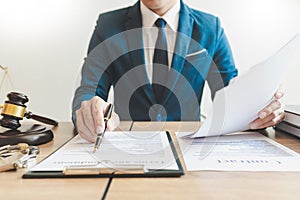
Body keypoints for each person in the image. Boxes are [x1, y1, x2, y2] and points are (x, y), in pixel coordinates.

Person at [72, 0, 285, 142]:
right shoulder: (108, 25)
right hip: (128, 146)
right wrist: (89, 111)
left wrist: (259, 108)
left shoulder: (211, 28)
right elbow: (89, 89)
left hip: (189, 147)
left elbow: (229, 95)